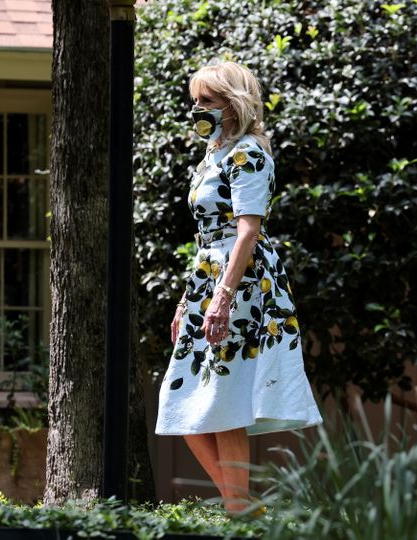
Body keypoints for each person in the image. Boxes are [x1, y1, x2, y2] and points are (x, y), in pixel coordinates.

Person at [155, 61, 322, 515]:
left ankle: (238, 510)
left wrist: (223, 298)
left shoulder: (248, 153)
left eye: (208, 101)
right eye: (196, 101)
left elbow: (247, 231)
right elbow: (207, 238)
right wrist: (189, 299)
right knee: (183, 399)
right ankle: (243, 507)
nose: (198, 109)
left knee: (223, 399)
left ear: (235, 104)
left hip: (241, 282)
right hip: (210, 276)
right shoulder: (213, 154)